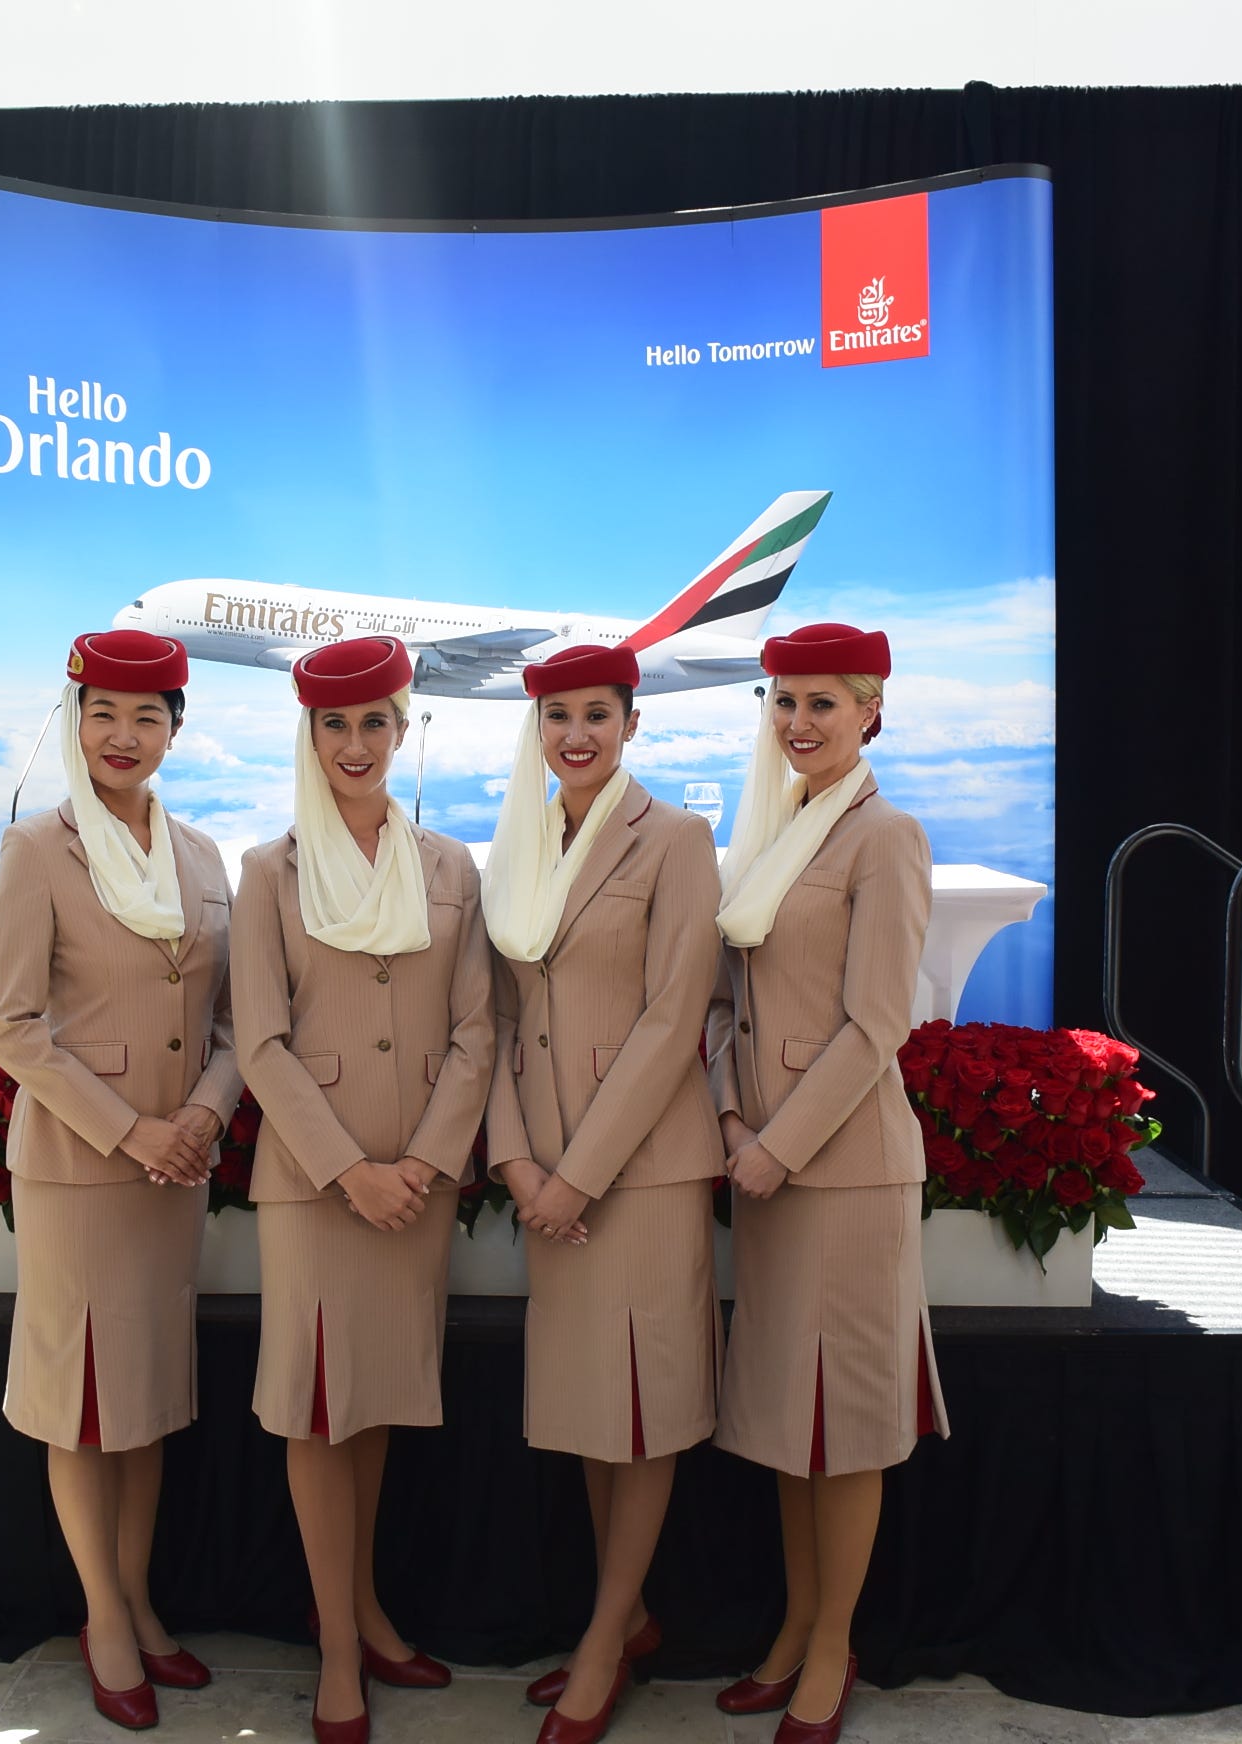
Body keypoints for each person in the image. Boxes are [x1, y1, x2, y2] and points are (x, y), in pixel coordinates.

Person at [0, 628, 242, 1734]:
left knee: (143, 1401)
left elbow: (229, 1023)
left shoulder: (200, 855)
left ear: (176, 731)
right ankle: (104, 1618)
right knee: (81, 1406)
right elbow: (9, 1025)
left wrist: (200, 1116)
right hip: (85, 1170)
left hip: (170, 1168)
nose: (122, 736)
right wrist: (134, 1128)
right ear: (76, 720)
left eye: (146, 717)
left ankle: (138, 1601)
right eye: (103, 714)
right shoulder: (40, 849)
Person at [231, 636, 496, 1744]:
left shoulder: (449, 868)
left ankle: (367, 1606)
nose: (355, 744)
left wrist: (424, 1165)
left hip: (417, 1178)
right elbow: (259, 1041)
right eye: (334, 726)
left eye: (373, 724)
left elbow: (477, 1030)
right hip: (315, 1183)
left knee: (375, 1395)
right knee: (315, 1406)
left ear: (403, 729)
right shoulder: (268, 871)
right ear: (310, 736)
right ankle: (338, 1648)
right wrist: (349, 1169)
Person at [704, 622, 951, 1744]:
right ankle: (796, 1629)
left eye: (822, 702)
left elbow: (875, 1025)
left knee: (841, 1425)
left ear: (870, 714)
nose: (798, 721)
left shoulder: (885, 835)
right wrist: (725, 1115)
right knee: (785, 1420)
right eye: (783, 701)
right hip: (764, 1161)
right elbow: (725, 1008)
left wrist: (774, 1145)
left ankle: (827, 1651)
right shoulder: (772, 830)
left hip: (840, 1174)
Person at [481, 642, 724, 1744]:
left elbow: (675, 1020)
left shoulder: (674, 838)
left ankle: (602, 1637)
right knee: (590, 1406)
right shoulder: (524, 842)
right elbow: (490, 1018)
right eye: (556, 716)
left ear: (630, 724)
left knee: (643, 1408)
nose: (574, 734)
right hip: (543, 1167)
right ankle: (620, 1621)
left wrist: (576, 1172)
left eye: (595, 714)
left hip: (639, 1170)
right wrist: (519, 1163)